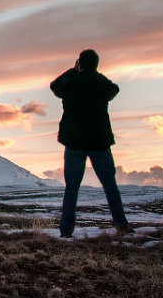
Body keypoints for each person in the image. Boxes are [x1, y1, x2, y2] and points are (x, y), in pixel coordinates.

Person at [50, 49, 131, 238]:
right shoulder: (101, 85)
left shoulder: (70, 84)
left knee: (72, 188)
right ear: (96, 64)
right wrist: (94, 73)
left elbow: (55, 86)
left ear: (80, 63)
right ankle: (121, 224)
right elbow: (114, 89)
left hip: (74, 142)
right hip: (99, 142)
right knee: (110, 185)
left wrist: (73, 71)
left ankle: (66, 230)